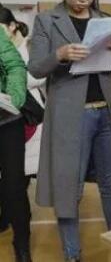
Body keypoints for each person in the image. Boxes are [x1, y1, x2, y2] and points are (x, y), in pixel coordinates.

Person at [28, 0, 111, 261]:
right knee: (68, 189)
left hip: (106, 112)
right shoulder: (47, 20)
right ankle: (72, 254)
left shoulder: (105, 21)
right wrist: (60, 54)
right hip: (68, 118)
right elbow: (35, 68)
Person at [0, 8, 45, 176]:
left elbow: (39, 76)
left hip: (31, 112)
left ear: (12, 26)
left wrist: (13, 82)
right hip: (7, 112)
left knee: (29, 167)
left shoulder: (31, 46)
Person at [0, 21, 31, 261]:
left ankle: (22, 244)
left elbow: (15, 66)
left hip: (7, 121)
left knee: (14, 185)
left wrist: (14, 97)